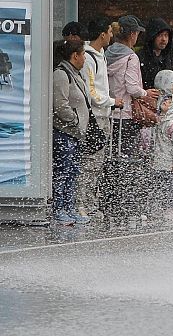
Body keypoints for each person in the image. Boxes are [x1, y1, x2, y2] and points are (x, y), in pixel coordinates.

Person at [76, 17, 124, 218]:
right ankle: (80, 204)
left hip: (104, 117)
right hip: (94, 118)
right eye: (109, 32)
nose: (112, 36)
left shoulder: (100, 55)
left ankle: (89, 202)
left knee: (97, 164)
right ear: (102, 34)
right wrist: (112, 101)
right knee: (89, 163)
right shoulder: (88, 58)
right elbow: (92, 92)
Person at [106, 15, 159, 157]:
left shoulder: (107, 54)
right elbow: (132, 88)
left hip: (108, 112)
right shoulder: (131, 57)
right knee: (125, 157)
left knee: (110, 155)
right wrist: (146, 93)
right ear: (132, 34)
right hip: (125, 113)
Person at [52, 40, 92, 225]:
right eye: (83, 54)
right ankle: (59, 208)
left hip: (76, 134)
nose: (85, 58)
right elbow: (60, 105)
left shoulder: (76, 73)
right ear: (74, 55)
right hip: (65, 133)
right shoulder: (61, 74)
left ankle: (69, 207)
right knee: (63, 171)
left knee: (73, 172)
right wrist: (75, 120)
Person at [151, 69, 173, 221]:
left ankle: (171, 207)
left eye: (169, 102)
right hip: (160, 161)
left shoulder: (172, 125)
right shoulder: (161, 121)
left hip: (170, 163)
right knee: (161, 185)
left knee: (171, 186)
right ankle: (161, 207)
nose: (165, 102)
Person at [138, 17, 173, 90]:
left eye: (166, 35)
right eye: (160, 35)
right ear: (152, 37)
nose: (164, 39)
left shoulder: (168, 58)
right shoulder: (140, 58)